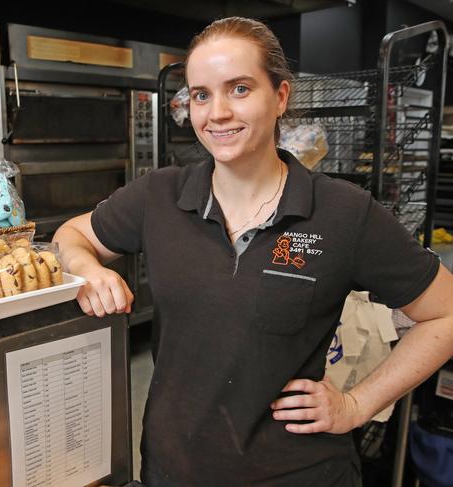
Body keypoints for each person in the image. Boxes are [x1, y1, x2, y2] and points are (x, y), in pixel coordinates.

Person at [53, 16, 453, 486]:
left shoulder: (344, 212)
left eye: (239, 89)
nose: (216, 112)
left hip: (299, 472)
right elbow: (69, 236)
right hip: (173, 468)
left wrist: (357, 404)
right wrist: (85, 267)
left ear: (281, 97)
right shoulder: (158, 195)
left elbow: (445, 314)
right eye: (201, 94)